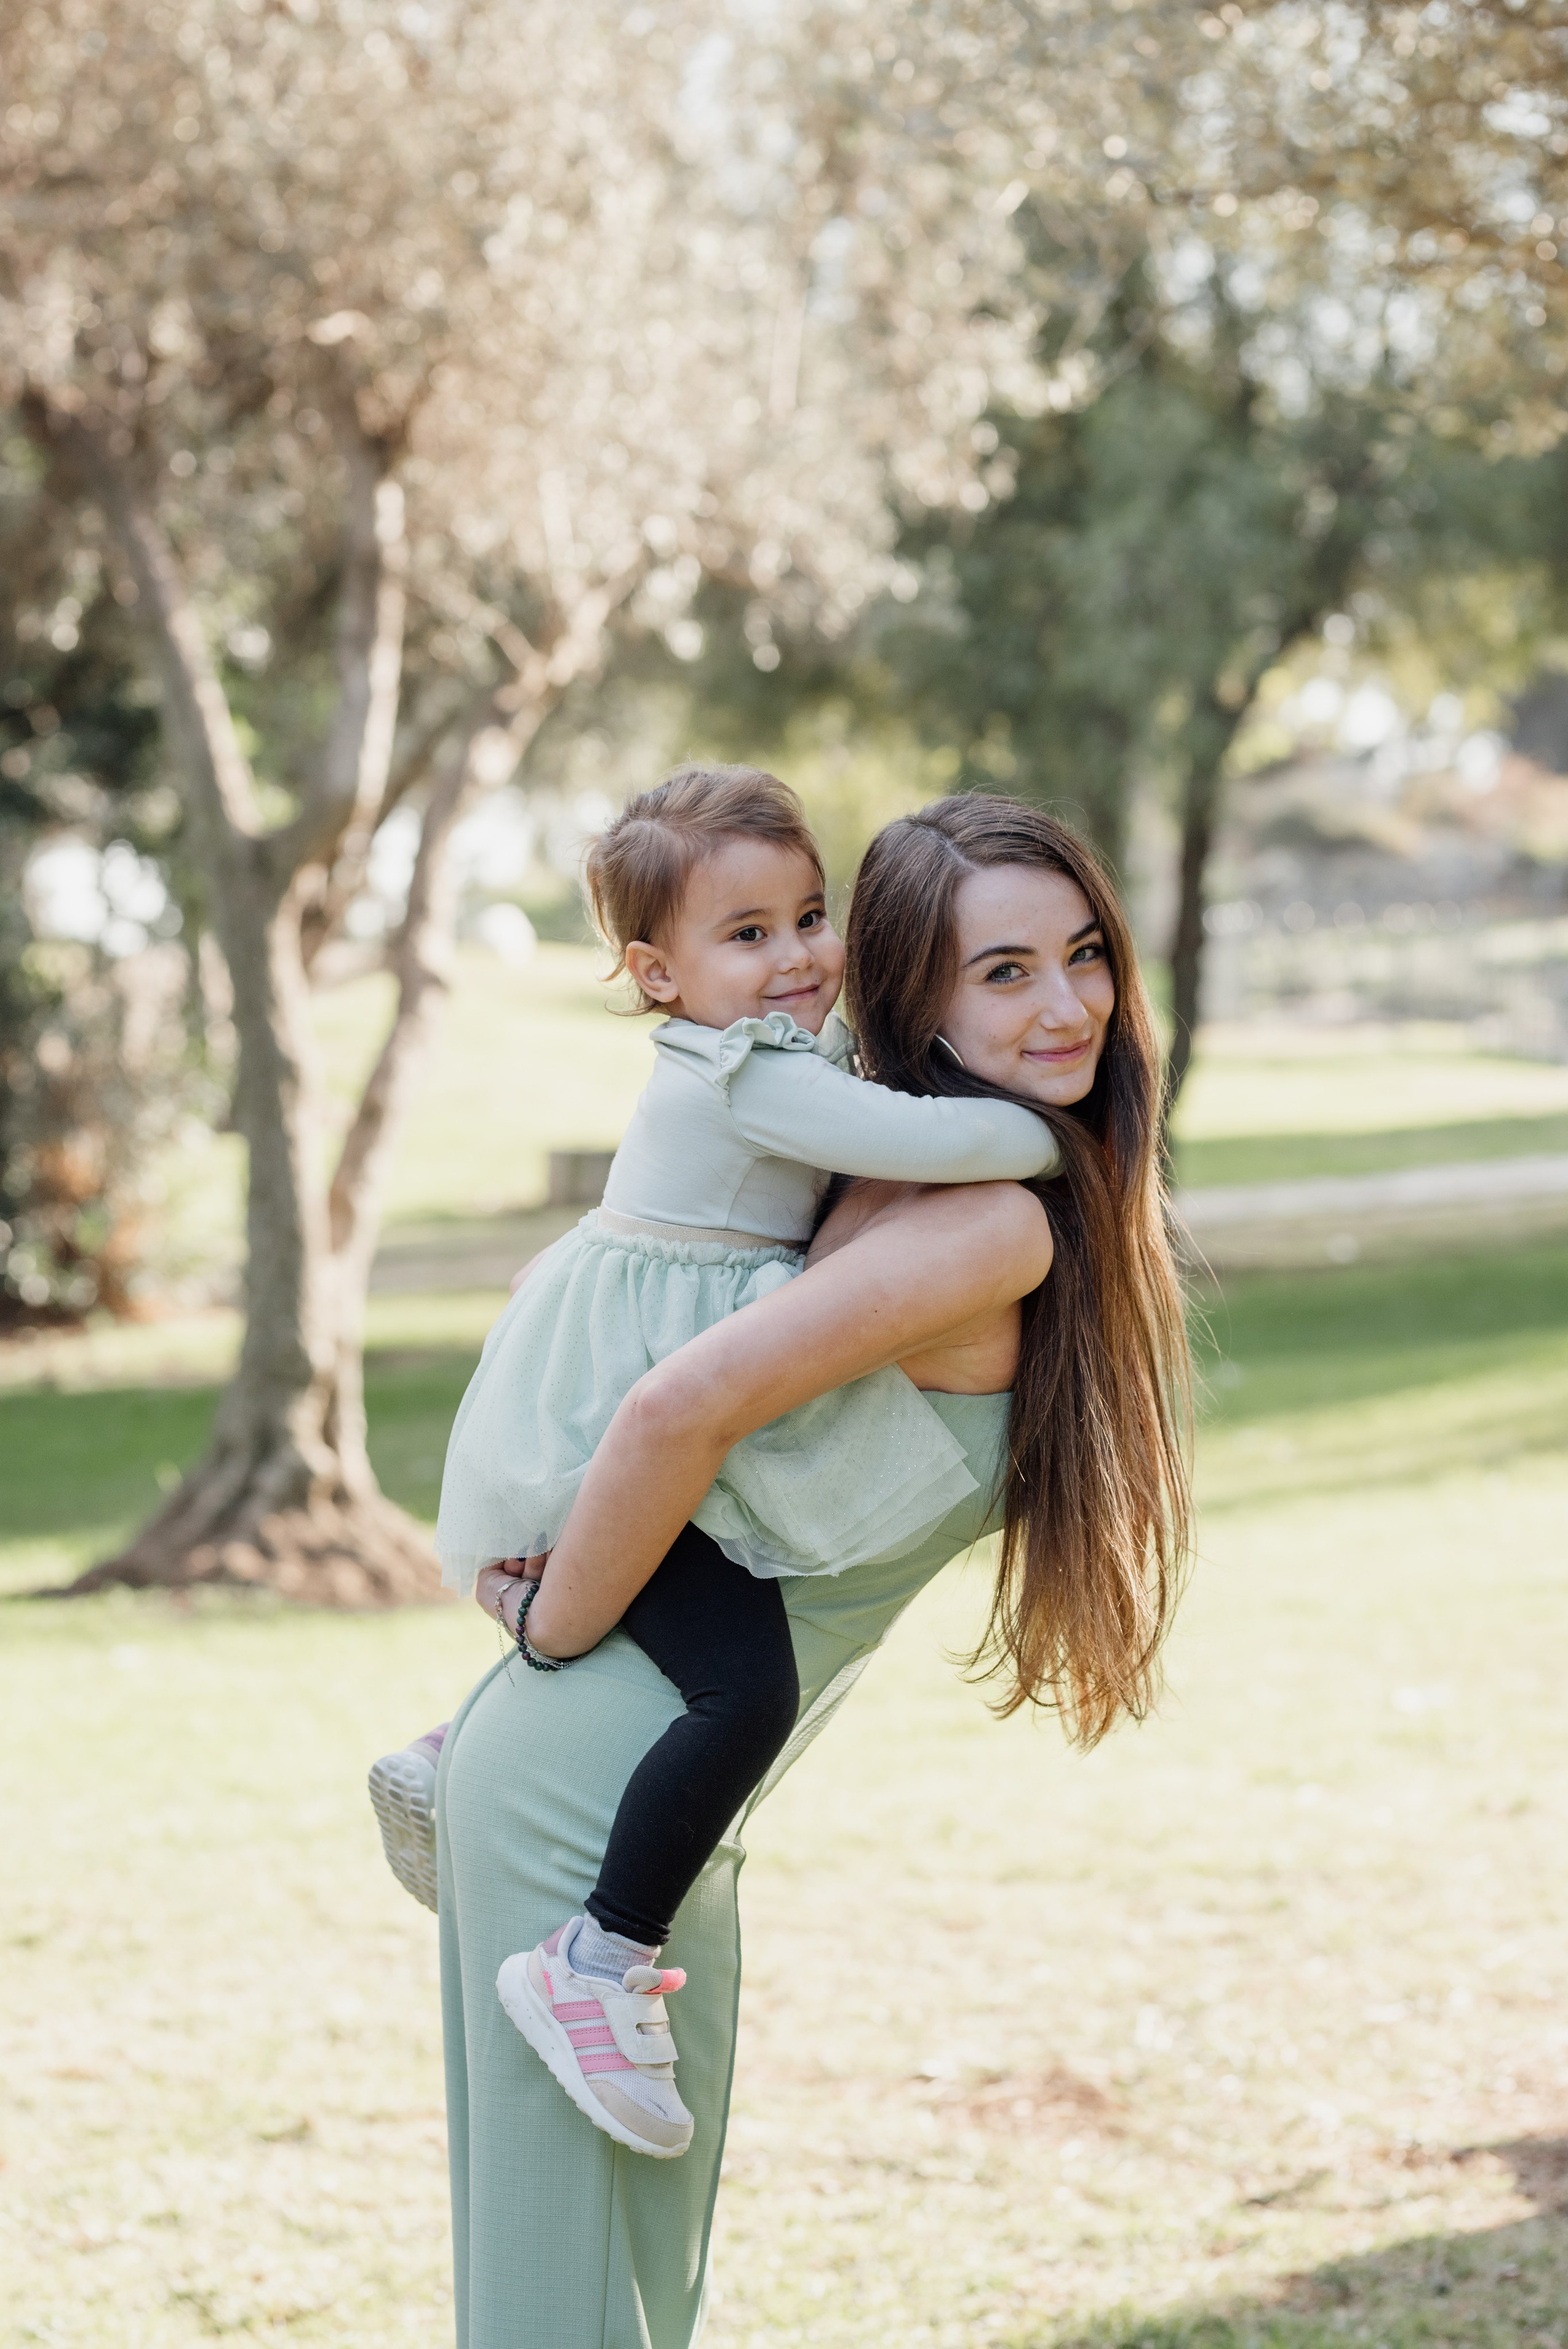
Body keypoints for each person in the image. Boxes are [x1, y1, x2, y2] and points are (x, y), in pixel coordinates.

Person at [431, 794, 1192, 2349]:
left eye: (1083, 954)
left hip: (664, 1805)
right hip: (582, 1795)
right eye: (1001, 972)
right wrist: (540, 1636)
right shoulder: (981, 1220)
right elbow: (670, 1407)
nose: (1065, 1006)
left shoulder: (867, 1180)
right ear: (910, 994)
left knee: (643, 2281)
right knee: (556, 2294)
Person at [370, 764, 1060, 2157]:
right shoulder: (743, 1072)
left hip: (632, 1379)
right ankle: (597, 1957)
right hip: (620, 1398)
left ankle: (463, 1747)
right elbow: (916, 1134)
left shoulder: (775, 1056)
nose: (798, 955)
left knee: (698, 1629)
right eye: (745, 935)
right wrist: (1049, 1131)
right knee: (744, 1688)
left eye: (808, 917)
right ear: (656, 970)